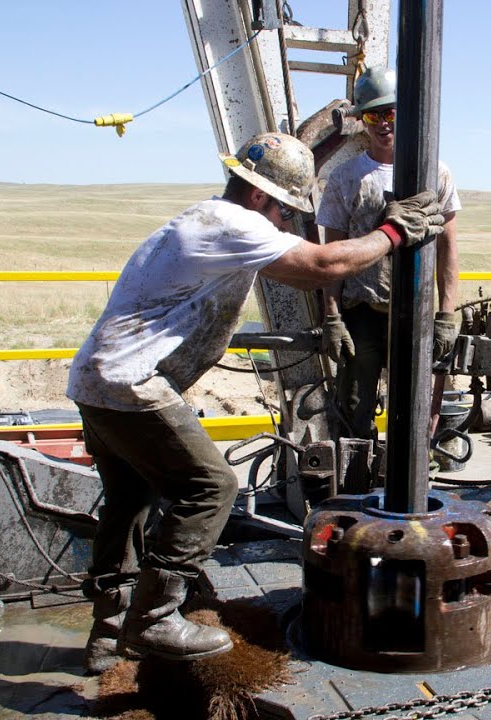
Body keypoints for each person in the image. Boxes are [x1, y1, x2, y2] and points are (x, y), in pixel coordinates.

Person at [66, 131, 443, 672]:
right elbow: (322, 265)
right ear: (262, 198)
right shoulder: (234, 223)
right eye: (286, 211)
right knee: (212, 486)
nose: (288, 223)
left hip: (96, 382)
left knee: (130, 499)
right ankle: (153, 619)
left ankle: (108, 630)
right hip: (131, 382)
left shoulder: (203, 219)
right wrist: (393, 232)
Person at [316, 65, 462, 445]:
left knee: (414, 415)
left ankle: (410, 482)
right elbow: (334, 254)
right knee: (353, 413)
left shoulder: (437, 174)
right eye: (372, 115)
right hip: (361, 313)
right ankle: (354, 486)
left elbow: (448, 249)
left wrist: (447, 313)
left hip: (415, 314)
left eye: (391, 113)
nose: (383, 123)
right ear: (362, 120)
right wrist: (332, 317)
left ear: (408, 114)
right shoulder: (347, 178)